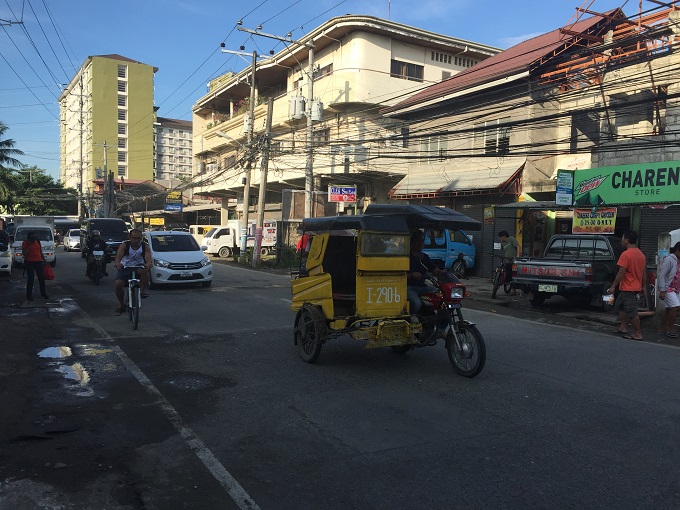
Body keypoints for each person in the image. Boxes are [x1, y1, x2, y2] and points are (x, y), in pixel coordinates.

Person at [607, 230, 647, 341]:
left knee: (632, 311)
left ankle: (637, 334)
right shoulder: (641, 255)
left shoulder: (626, 254)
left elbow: (621, 272)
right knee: (620, 305)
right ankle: (623, 327)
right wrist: (643, 286)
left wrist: (613, 286)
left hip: (629, 287)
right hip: (633, 287)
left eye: (623, 238)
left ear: (627, 240)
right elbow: (644, 272)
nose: (622, 240)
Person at [113, 228, 152, 316]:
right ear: (130, 237)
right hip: (126, 267)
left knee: (145, 271)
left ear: (141, 238)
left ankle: (142, 291)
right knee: (118, 284)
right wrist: (117, 263)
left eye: (138, 238)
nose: (136, 240)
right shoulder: (124, 245)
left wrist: (149, 263)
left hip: (139, 267)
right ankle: (121, 304)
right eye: (134, 238)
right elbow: (118, 256)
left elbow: (148, 258)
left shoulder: (144, 246)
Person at [407, 230, 446, 315]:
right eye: (419, 240)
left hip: (422, 286)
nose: (421, 243)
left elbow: (435, 270)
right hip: (409, 287)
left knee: (442, 297)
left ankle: (438, 322)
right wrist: (411, 275)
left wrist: (448, 273)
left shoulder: (424, 257)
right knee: (416, 303)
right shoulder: (406, 256)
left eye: (422, 240)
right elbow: (400, 274)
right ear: (412, 241)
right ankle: (412, 317)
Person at [657, 241, 680, 338]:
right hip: (667, 288)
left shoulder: (678, 260)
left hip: (675, 288)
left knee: (669, 308)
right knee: (675, 307)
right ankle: (670, 329)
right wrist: (662, 290)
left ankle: (662, 328)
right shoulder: (669, 260)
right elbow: (661, 275)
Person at [21, 231, 48, 301]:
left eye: (34, 238)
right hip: (29, 262)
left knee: (41, 278)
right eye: (32, 238)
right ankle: (29, 295)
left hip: (38, 261)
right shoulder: (25, 243)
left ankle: (43, 293)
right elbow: (25, 254)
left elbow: (40, 252)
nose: (34, 240)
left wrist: (45, 261)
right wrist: (28, 245)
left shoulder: (37, 242)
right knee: (31, 278)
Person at [498, 230, 521, 294]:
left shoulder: (511, 239)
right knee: (508, 273)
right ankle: (509, 286)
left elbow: (518, 247)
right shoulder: (502, 242)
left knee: (514, 274)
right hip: (507, 260)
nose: (500, 238)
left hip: (513, 260)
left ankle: (517, 290)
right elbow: (503, 251)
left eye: (501, 237)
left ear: (504, 236)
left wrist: (518, 256)